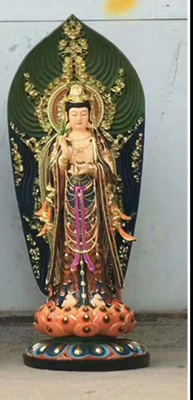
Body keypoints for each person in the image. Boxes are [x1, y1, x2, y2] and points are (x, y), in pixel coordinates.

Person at [35, 82, 135, 309]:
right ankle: (68, 290)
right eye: (74, 114)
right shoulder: (61, 141)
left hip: (93, 201)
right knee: (69, 245)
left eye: (83, 113)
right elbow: (52, 173)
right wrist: (64, 156)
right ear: (65, 116)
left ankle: (97, 290)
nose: (79, 118)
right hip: (69, 200)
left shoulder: (97, 141)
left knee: (95, 246)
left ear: (91, 114)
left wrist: (92, 169)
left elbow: (110, 173)